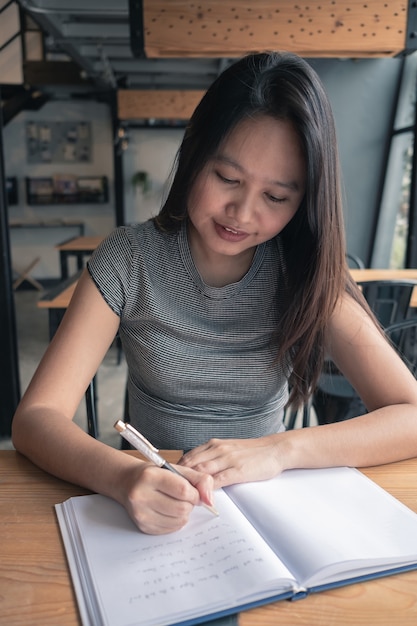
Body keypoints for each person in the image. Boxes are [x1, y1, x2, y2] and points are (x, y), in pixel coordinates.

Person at [12, 51, 417, 535]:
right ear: (194, 153)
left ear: (305, 199)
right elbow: (35, 418)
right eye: (227, 178)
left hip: (266, 510)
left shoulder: (305, 273)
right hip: (151, 501)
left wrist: (280, 449)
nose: (242, 214)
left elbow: (410, 413)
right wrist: (122, 474)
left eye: (276, 197)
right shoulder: (129, 259)